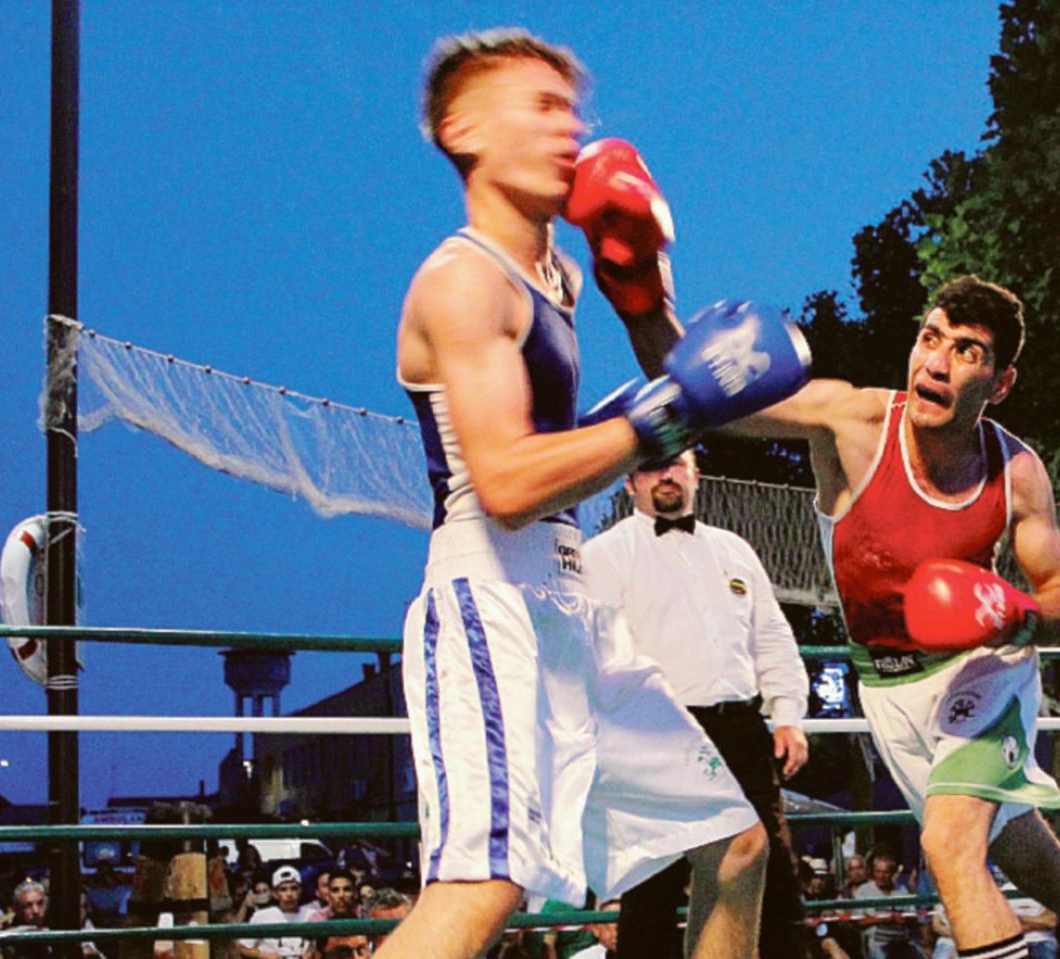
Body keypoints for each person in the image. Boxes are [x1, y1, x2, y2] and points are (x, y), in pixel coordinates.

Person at [381, 26, 814, 959]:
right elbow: (504, 481)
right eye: (539, 107)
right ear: (464, 128)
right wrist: (657, 417)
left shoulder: (559, 273)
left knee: (735, 843)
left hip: (571, 607)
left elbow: (687, 385)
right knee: (481, 887)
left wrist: (644, 298)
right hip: (489, 598)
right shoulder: (464, 282)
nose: (567, 128)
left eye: (573, 109)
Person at [734, 275, 1060, 959]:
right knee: (1039, 866)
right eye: (930, 339)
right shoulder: (855, 421)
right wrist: (646, 303)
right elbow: (714, 404)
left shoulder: (1016, 471)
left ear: (1000, 382)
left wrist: (1012, 612)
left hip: (982, 673)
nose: (936, 362)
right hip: (887, 688)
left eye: (966, 351)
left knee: (948, 845)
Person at [584, 449, 814, 959]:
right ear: (629, 483)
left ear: (696, 473)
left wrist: (789, 715)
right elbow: (598, 659)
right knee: (653, 889)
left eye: (676, 463)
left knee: (773, 877)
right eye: (650, 465)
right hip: (657, 734)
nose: (665, 474)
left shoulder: (734, 549)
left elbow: (772, 637)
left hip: (741, 730)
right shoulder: (603, 555)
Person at [854, 855, 922, 959]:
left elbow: (914, 917)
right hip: (878, 943)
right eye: (878, 872)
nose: (881, 876)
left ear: (892, 873)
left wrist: (904, 919)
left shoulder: (902, 890)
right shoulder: (864, 891)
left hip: (902, 941)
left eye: (885, 872)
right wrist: (880, 919)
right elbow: (858, 920)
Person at [240, 866, 309, 959]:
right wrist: (264, 955)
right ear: (275, 894)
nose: (289, 894)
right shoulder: (262, 916)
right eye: (283, 889)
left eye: (294, 888)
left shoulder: (312, 914)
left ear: (300, 891)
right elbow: (243, 947)